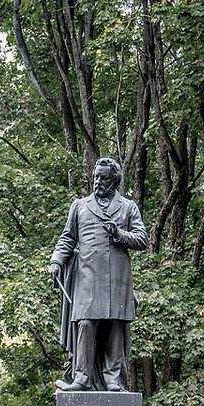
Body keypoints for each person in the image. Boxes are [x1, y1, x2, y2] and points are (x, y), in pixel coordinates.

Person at [50, 157, 148, 392]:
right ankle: (81, 378)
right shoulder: (80, 206)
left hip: (117, 277)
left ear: (114, 180)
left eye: (103, 177)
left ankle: (113, 379)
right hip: (87, 277)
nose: (97, 181)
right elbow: (67, 238)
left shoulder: (127, 207)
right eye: (96, 176)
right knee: (86, 323)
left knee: (115, 324)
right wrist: (56, 260)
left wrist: (119, 233)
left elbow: (142, 239)